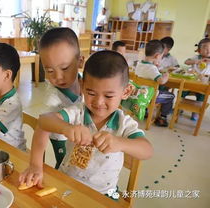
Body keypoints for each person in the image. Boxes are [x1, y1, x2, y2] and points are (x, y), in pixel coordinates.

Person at [19, 51, 153, 197]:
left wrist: (120, 143)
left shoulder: (124, 124)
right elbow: (44, 121)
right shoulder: (78, 113)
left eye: (108, 96)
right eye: (91, 93)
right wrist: (66, 128)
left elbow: (147, 150)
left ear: (126, 92)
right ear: (82, 85)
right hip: (67, 184)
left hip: (102, 194)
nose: (98, 102)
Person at [36, 27, 84, 169]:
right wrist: (36, 165)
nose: (57, 77)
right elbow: (42, 128)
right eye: (50, 71)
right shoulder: (53, 100)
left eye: (64, 68)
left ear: (80, 62)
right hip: (63, 145)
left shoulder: (89, 85)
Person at [135, 40, 175, 127]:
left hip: (139, 93)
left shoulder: (139, 63)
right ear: (157, 55)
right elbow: (161, 81)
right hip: (150, 96)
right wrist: (166, 75)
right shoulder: (152, 69)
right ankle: (162, 117)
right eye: (161, 56)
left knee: (149, 88)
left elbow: (148, 72)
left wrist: (155, 67)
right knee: (171, 96)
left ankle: (145, 111)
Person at [183, 37, 210, 121]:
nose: (208, 51)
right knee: (183, 91)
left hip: (203, 84)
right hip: (192, 82)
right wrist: (196, 62)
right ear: (199, 50)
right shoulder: (196, 58)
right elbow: (186, 61)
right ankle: (179, 107)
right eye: (205, 48)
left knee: (202, 96)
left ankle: (196, 112)